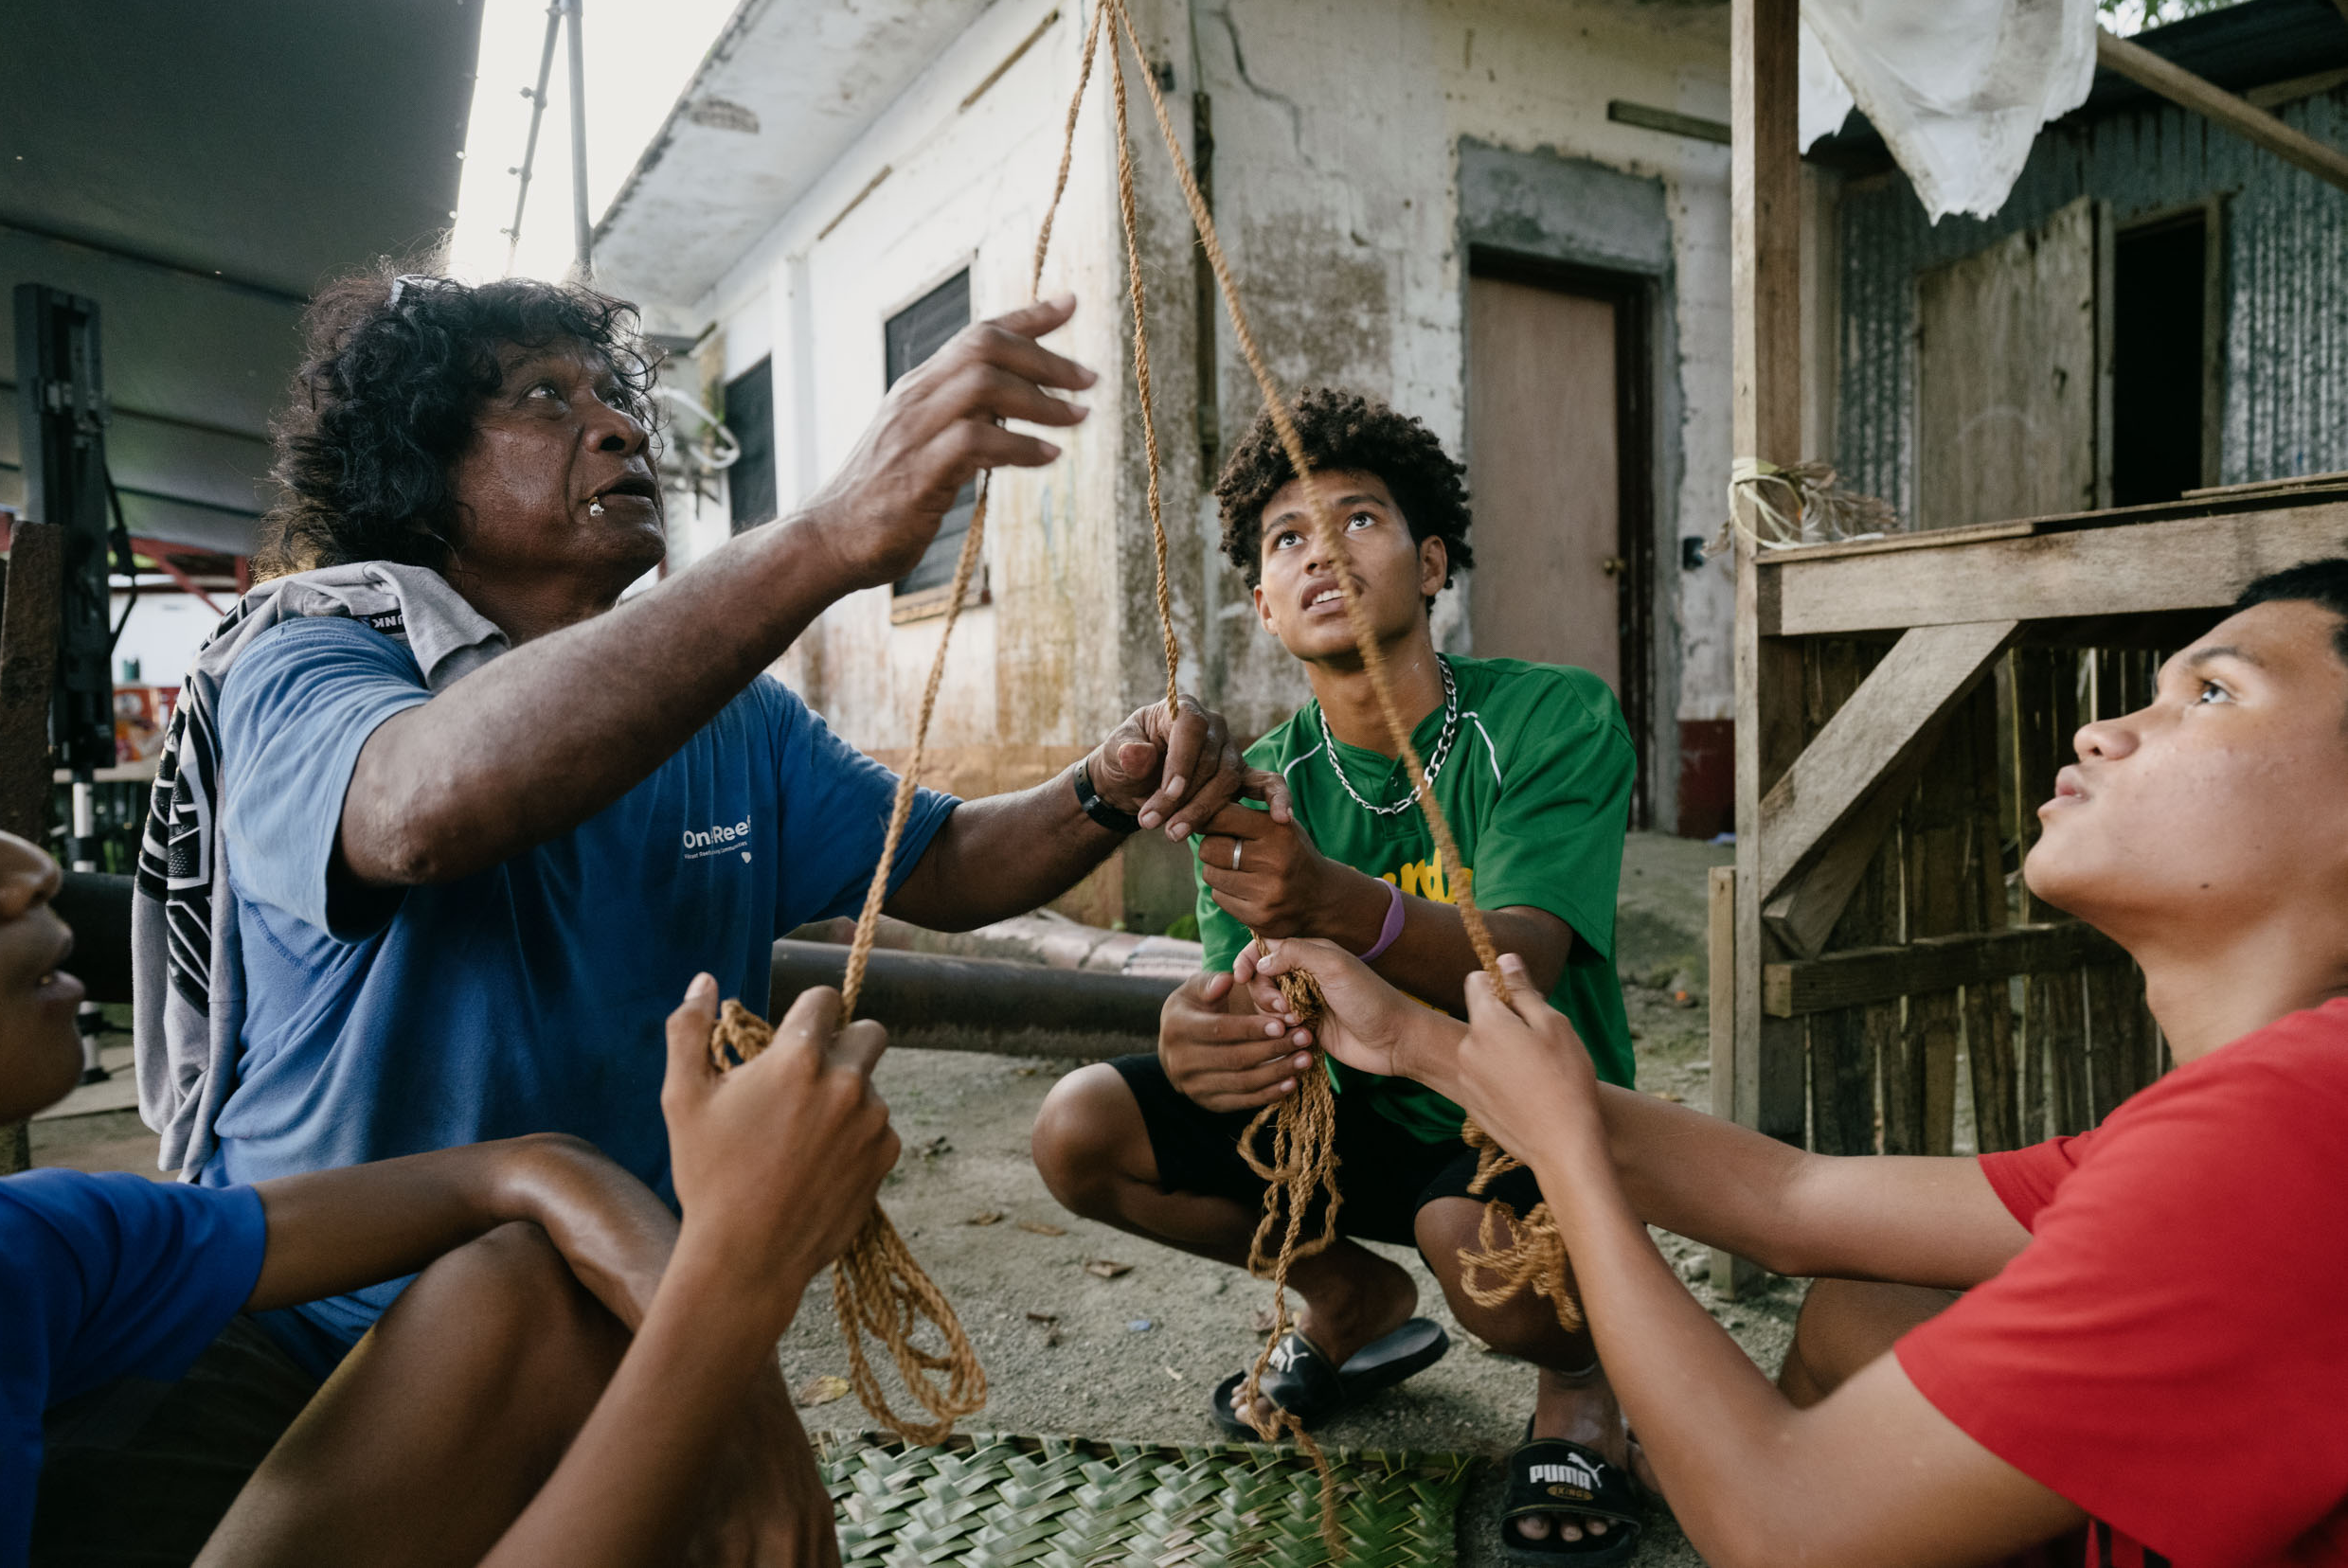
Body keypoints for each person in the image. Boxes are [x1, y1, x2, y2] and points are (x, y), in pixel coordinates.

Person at [135, 270, 1279, 1392]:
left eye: (611, 397)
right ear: (416, 465)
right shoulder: (312, 656)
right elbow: (414, 813)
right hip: (316, 1345)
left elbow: (941, 863)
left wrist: (1104, 787)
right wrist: (826, 536)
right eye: (545, 397)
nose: (619, 428)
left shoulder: (727, 713)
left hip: (613, 1317)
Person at [1242, 560, 2348, 1568]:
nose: (2106, 728)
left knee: (1788, 1472)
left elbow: (1784, 1526)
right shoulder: (2275, 1097)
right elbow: (1792, 1196)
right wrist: (1414, 1041)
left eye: (2212, 694)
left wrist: (1570, 1162)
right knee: (1853, 1313)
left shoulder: (2279, 1132)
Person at [1032, 389, 1645, 1561]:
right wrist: (1206, 1034)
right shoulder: (1257, 781)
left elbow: (1519, 954)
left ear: (1428, 562)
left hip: (1515, 1116)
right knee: (1080, 1127)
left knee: (1483, 1256)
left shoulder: (1550, 714)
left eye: (1357, 521)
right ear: (1264, 605)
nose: (1321, 552)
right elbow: (1249, 990)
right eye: (1286, 541)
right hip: (1344, 1118)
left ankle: (1581, 1382)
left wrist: (1327, 900)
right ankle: (1351, 1300)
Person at [0, 821, 903, 1566]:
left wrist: (750, 1410)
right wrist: (736, 1272)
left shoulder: (23, 1239)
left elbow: (531, 1168)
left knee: (535, 1285)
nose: (26, 868)